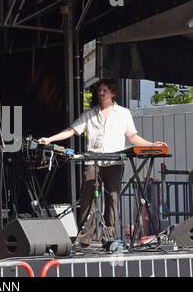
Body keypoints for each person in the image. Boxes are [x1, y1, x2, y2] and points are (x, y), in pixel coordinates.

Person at [39, 79, 167, 248]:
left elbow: (132, 136)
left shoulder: (124, 113)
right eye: (99, 90)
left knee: (112, 199)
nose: (100, 93)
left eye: (104, 90)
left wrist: (151, 145)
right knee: (87, 198)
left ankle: (109, 237)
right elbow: (72, 130)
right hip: (93, 159)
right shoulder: (90, 114)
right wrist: (50, 139)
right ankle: (84, 238)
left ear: (112, 93)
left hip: (114, 161)